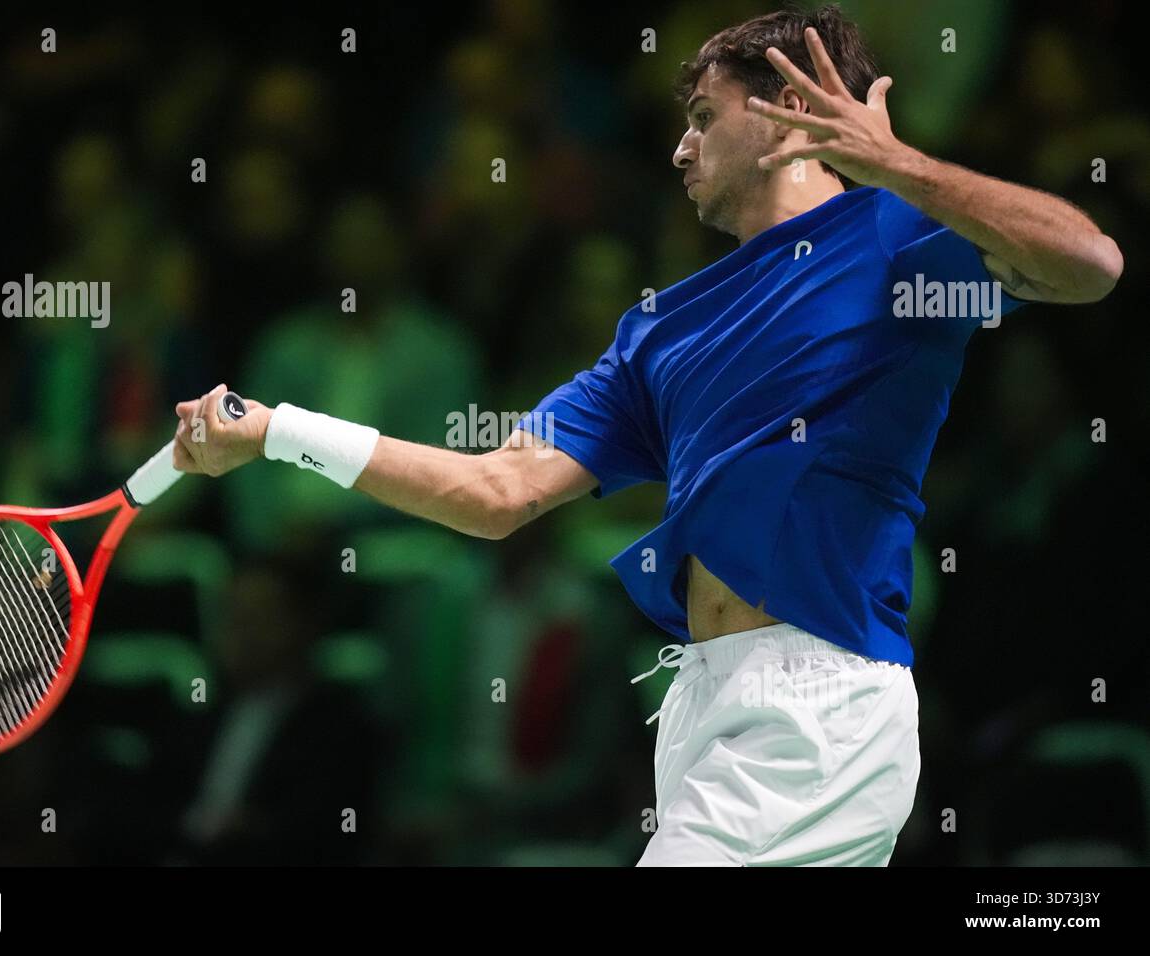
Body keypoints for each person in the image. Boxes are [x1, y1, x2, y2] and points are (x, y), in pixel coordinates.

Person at [170, 5, 1122, 866]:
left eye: (704, 117)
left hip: (817, 701)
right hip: (702, 706)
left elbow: (1089, 264)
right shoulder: (661, 333)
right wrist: (281, 431)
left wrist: (900, 164)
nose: (678, 149)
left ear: (789, 111)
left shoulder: (896, 239)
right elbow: (497, 494)